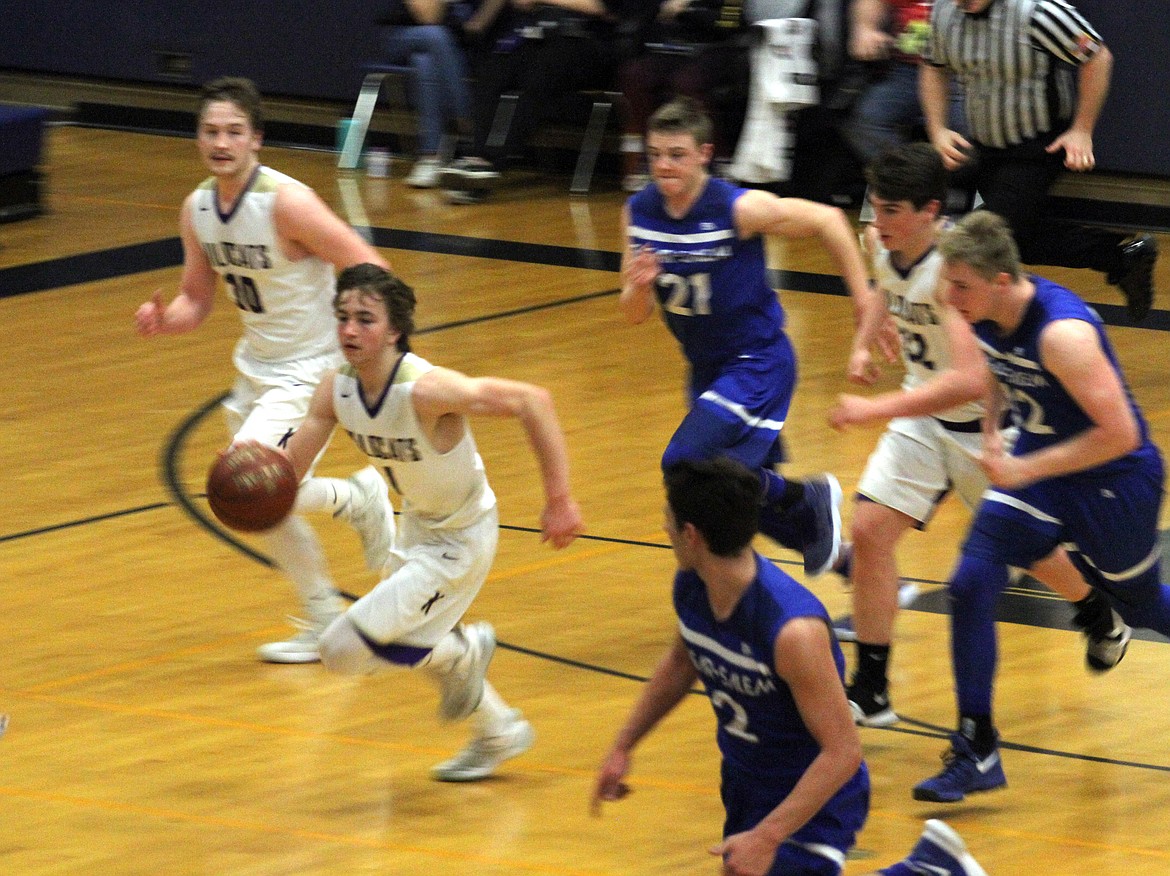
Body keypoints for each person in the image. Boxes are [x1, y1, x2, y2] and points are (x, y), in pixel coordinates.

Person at [842, 210, 1170, 803]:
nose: (948, 298)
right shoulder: (985, 311)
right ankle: (977, 747)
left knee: (1145, 606)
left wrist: (1024, 466)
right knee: (970, 584)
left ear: (1000, 280)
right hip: (1043, 467)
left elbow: (1122, 435)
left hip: (1113, 482)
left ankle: (1110, 616)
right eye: (948, 284)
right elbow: (993, 374)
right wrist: (994, 431)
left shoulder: (1060, 333)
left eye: (960, 286)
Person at [828, 143, 1129, 728]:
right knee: (868, 531)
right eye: (875, 207)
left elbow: (970, 381)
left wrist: (874, 406)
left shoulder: (952, 272)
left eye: (890, 211)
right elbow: (880, 291)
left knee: (1034, 552)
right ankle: (871, 689)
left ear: (930, 211)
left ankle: (1095, 610)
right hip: (922, 419)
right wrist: (864, 342)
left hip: (981, 427)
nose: (877, 221)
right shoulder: (885, 244)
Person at [590, 457, 987, 876]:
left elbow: (843, 752)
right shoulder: (694, 585)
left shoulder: (793, 632)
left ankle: (928, 871)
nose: (665, 530)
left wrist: (767, 836)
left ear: (691, 536)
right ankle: (931, 867)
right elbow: (680, 661)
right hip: (746, 783)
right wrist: (623, 745)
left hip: (815, 793)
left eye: (668, 521)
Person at [280, 262, 584, 781]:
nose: (350, 330)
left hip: (461, 540)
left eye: (365, 319)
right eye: (343, 317)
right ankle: (498, 731)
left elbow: (535, 400)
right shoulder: (335, 389)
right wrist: (251, 477)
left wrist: (559, 498)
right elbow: (289, 472)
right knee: (398, 645)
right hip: (417, 529)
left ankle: (462, 652)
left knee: (340, 649)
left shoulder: (426, 390)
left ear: (395, 330)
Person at [135, 77, 393, 664]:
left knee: (243, 489)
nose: (220, 142)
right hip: (256, 369)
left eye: (233, 132)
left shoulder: (287, 202)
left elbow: (369, 265)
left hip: (312, 368)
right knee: (262, 507)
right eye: (210, 131)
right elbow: (196, 300)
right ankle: (327, 612)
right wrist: (164, 320)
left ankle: (356, 501)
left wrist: (370, 349)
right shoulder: (197, 207)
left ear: (257, 140)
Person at [621, 97, 891, 579]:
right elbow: (634, 314)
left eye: (677, 154)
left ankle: (807, 496)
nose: (663, 165)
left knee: (685, 466)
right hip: (705, 368)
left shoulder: (738, 208)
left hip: (756, 361)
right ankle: (852, 566)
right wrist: (638, 287)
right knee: (734, 502)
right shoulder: (638, 212)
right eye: (656, 153)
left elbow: (829, 221)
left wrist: (862, 303)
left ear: (704, 154)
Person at [920, 0, 1159, 323]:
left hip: (1038, 145)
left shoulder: (1038, 13)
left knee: (990, 241)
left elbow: (1098, 56)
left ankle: (987, 331)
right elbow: (932, 65)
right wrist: (937, 130)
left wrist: (1082, 129)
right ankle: (1122, 257)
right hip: (985, 145)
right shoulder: (943, 12)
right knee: (1017, 241)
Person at [436, 0, 626, 203]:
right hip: (543, 38)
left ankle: (487, 162)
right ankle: (475, 157)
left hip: (593, 45)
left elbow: (609, 9)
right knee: (496, 67)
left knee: (542, 73)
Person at [375, 0, 506, 187]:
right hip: (404, 36)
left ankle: (430, 157)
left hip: (450, 50)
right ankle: (465, 117)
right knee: (436, 35)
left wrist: (479, 22)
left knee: (424, 62)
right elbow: (429, 18)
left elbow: (476, 27)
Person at [843, 0, 968, 165]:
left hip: (958, 71)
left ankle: (941, 181)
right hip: (906, 69)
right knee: (866, 121)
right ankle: (907, 176)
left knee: (969, 131)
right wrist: (865, 28)